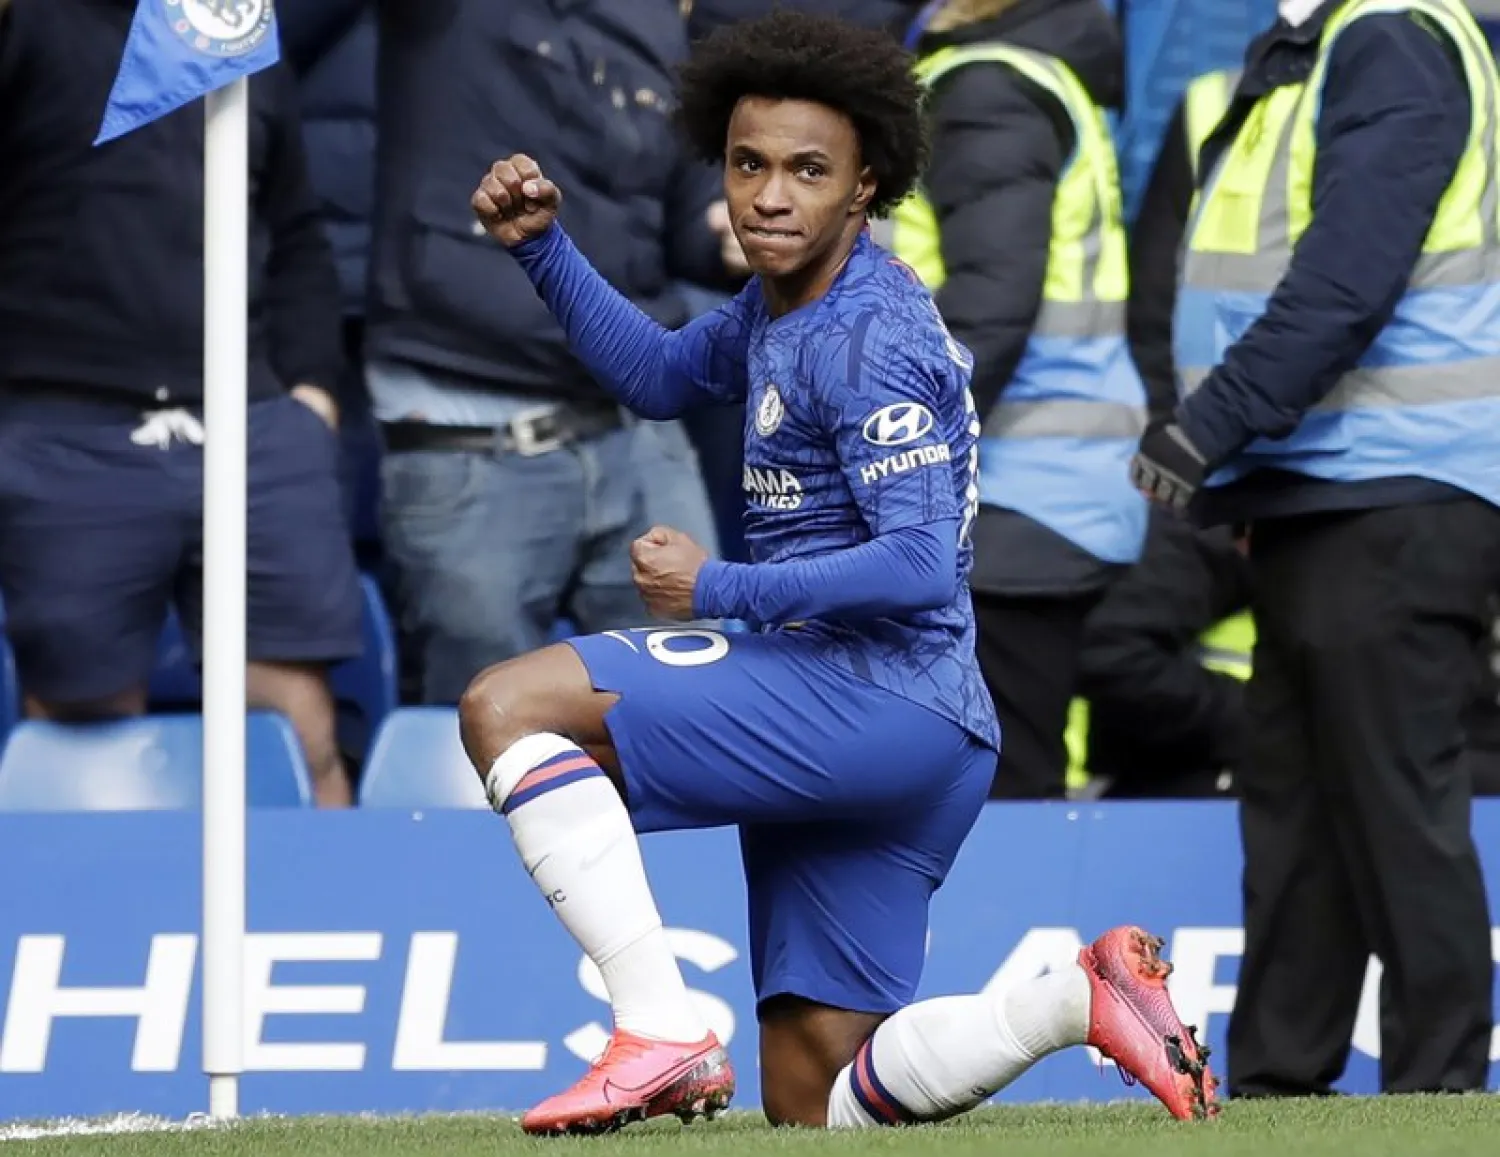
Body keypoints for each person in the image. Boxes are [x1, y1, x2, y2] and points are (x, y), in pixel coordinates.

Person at [461, 10, 1216, 1135]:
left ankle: (658, 1024)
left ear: (865, 186)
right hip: (919, 725)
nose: (771, 196)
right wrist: (544, 250)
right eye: (749, 165)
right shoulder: (789, 301)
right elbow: (664, 375)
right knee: (818, 1103)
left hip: (872, 696)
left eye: (809, 171)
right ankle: (1073, 998)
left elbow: (917, 564)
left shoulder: (864, 336)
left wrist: (716, 589)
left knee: (508, 705)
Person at [1132, 0, 1500, 1096]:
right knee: (1296, 811)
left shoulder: (1390, 34)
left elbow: (1349, 275)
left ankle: (1439, 1093)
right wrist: (1247, 461)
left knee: (1392, 807)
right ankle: (1280, 1089)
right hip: (1325, 486)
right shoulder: (1336, 39)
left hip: (1394, 484)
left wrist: (1213, 424)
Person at [0, 0, 362, 806]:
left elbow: (296, 229)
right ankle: (80, 934)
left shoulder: (235, 25)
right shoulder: (29, 23)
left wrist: (311, 395)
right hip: (70, 426)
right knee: (79, 734)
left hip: (256, 425)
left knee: (299, 730)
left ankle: (306, 923)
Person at [363, 0, 730, 704]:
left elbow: (676, 213)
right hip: (471, 432)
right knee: (484, 745)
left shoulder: (657, 18)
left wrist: (726, 239)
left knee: (697, 713)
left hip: (636, 426)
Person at [889, 0, 1149, 800]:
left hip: (1010, 501)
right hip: (1041, 490)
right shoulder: (1023, 72)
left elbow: (991, 307)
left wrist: (891, 456)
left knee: (995, 795)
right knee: (1008, 780)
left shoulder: (986, 87)